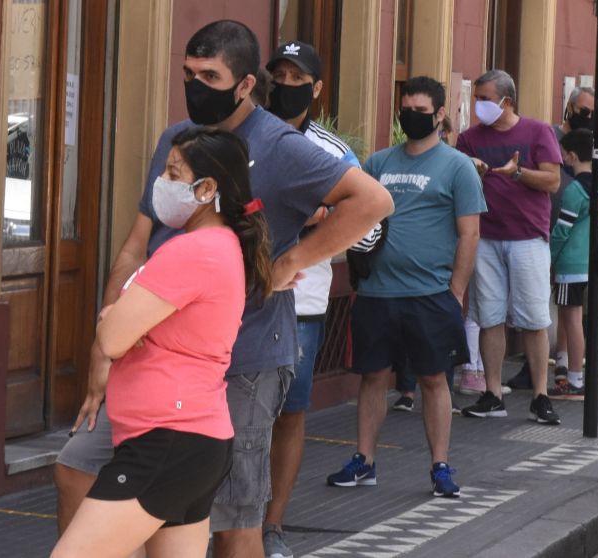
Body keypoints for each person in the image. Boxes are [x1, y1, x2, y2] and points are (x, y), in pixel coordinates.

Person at [52, 20, 394, 558]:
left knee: (234, 523)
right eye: (188, 73)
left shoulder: (280, 146)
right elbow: (136, 246)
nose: (196, 86)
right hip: (154, 360)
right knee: (79, 467)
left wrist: (289, 263)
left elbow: (373, 202)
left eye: (210, 76)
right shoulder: (178, 141)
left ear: (246, 84)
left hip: (245, 361)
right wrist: (105, 346)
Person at [52, 128, 270, 557]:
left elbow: (111, 337)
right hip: (193, 441)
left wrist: (117, 318)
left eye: (173, 173)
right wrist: (126, 322)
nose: (162, 183)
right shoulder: (221, 246)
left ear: (207, 189)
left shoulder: (193, 250)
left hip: (166, 442)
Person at [325, 76, 485, 498]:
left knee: (433, 379)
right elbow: (355, 216)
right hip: (377, 293)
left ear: (440, 114)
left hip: (430, 295)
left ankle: (440, 466)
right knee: (373, 377)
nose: (412, 116)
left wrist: (455, 291)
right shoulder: (378, 163)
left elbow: (469, 234)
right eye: (406, 110)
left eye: (420, 111)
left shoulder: (458, 167)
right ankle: (364, 461)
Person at [261, 39, 362, 558]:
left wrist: (313, 221)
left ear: (317, 88)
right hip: (237, 297)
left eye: (297, 78)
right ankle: (225, 523)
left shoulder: (332, 152)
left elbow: (369, 228)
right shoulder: (245, 133)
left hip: (300, 304)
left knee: (288, 414)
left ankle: (272, 525)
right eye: (278, 75)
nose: (285, 85)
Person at [456, 69, 563, 425]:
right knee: (488, 317)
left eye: (485, 99)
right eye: (477, 98)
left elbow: (552, 180)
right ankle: (493, 393)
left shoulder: (538, 131)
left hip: (528, 238)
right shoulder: (469, 138)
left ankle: (540, 396)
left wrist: (517, 173)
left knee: (534, 319)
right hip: (485, 237)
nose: (479, 105)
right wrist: (473, 171)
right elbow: (459, 179)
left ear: (507, 101)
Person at [548, 129, 598, 400]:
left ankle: (574, 379)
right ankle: (566, 370)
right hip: (590, 262)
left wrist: (549, 255)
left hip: (569, 263)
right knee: (573, 317)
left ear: (571, 155)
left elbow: (561, 230)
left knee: (571, 320)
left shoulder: (573, 190)